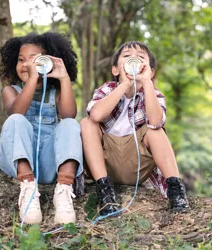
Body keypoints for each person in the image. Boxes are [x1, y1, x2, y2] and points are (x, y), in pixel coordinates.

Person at [80, 41, 189, 216]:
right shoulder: (107, 89)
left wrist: (147, 84)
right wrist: (124, 85)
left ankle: (176, 189)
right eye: (127, 56)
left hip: (138, 165)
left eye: (140, 58)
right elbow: (96, 115)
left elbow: (155, 122)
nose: (133, 60)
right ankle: (104, 190)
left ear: (149, 71)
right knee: (87, 123)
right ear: (115, 69)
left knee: (155, 130)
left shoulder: (154, 94)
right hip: (107, 162)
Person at [0, 32, 83, 225]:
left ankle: (63, 190)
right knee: (17, 120)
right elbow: (16, 111)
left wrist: (64, 78)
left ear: (48, 62)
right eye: (21, 60)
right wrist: (31, 81)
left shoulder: (56, 93)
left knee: (70, 124)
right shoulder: (11, 91)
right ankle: (28, 189)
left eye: (34, 60)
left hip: (47, 164)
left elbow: (70, 114)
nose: (26, 64)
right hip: (18, 162)